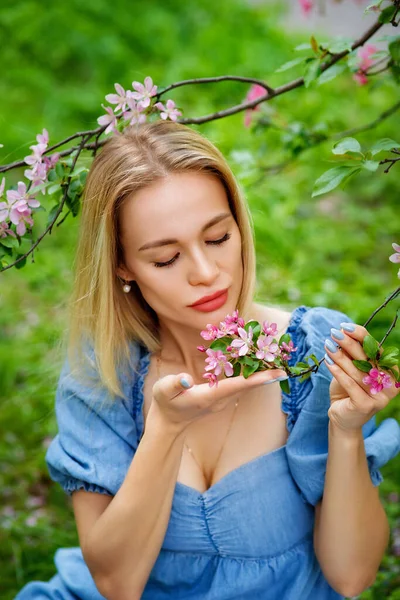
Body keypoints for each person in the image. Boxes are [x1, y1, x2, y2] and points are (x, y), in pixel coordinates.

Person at [15, 120, 400, 600]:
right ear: (121, 265)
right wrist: (166, 428)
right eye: (165, 258)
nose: (205, 273)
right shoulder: (102, 376)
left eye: (218, 238)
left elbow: (352, 577)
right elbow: (117, 583)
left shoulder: (310, 353)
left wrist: (345, 432)